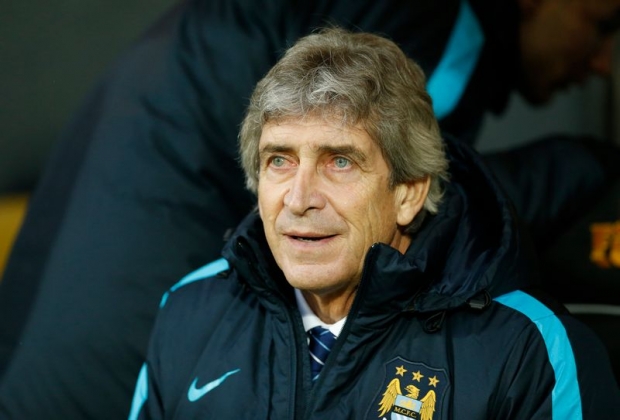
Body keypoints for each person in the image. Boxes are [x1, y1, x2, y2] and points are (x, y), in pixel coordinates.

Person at [2, 0, 620, 418]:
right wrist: (596, 165)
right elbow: (435, 177)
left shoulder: (529, 350)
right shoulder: (433, 19)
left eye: (339, 162)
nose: (601, 60)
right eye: (598, 25)